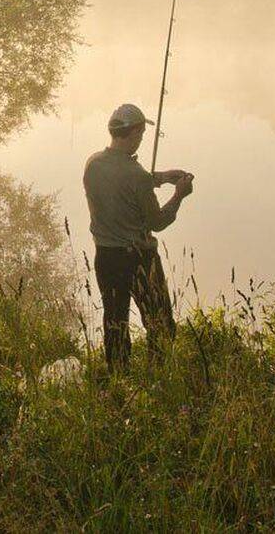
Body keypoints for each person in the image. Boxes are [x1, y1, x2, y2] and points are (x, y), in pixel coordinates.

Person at [83, 103, 194, 370]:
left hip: (106, 258)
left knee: (115, 323)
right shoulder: (136, 176)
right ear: (132, 134)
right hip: (138, 259)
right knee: (160, 323)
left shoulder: (93, 164)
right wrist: (179, 195)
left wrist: (157, 177)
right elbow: (157, 222)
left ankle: (118, 379)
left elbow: (121, 183)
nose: (142, 139)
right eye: (141, 134)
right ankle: (159, 375)